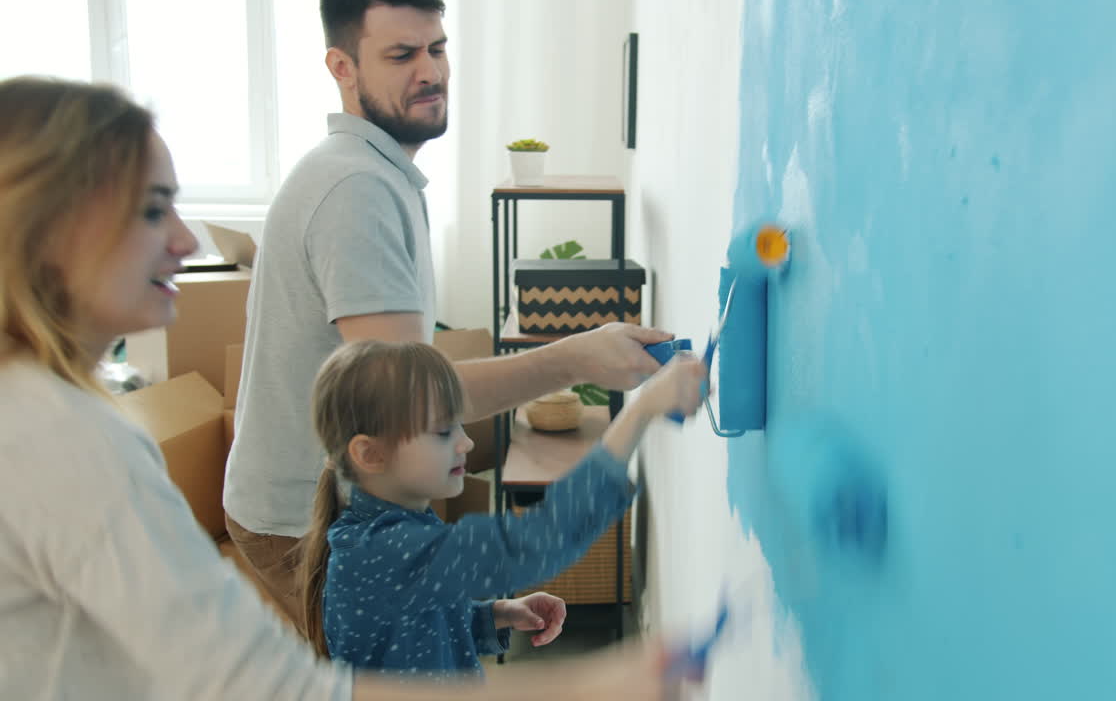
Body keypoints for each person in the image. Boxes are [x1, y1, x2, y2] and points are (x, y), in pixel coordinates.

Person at [0, 75, 676, 701]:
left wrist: (482, 618)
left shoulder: (380, 532)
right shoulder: (62, 438)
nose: (183, 237)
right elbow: (272, 685)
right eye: (151, 212)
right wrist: (589, 683)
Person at [223, 0, 672, 626]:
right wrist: (578, 358)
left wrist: (474, 616)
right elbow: (412, 403)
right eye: (402, 55)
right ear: (341, 67)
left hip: (336, 510)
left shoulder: (375, 173)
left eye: (437, 48)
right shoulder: (356, 189)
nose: (431, 72)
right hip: (307, 522)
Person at [297, 340, 705, 675]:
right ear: (370, 453)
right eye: (443, 431)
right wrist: (641, 411)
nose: (465, 443)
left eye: (459, 424)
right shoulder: (383, 549)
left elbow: (416, 631)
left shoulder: (394, 528)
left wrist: (495, 615)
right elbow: (536, 541)